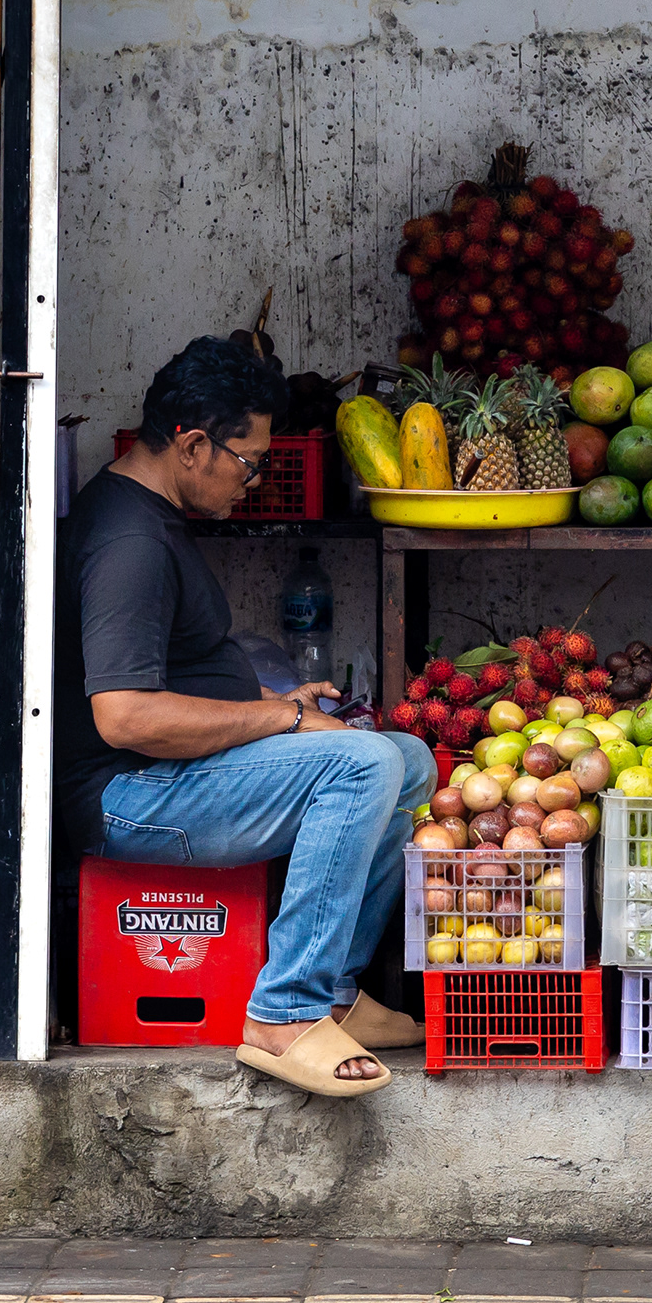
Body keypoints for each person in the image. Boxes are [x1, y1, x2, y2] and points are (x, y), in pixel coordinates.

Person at [62, 334, 431, 1098]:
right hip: (129, 797)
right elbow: (126, 718)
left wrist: (272, 705)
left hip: (173, 775)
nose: (255, 482)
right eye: (249, 461)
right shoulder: (129, 542)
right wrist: (283, 725)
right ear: (194, 445)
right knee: (361, 765)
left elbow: (171, 682)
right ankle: (284, 1016)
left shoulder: (153, 516)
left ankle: (333, 994)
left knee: (408, 759)